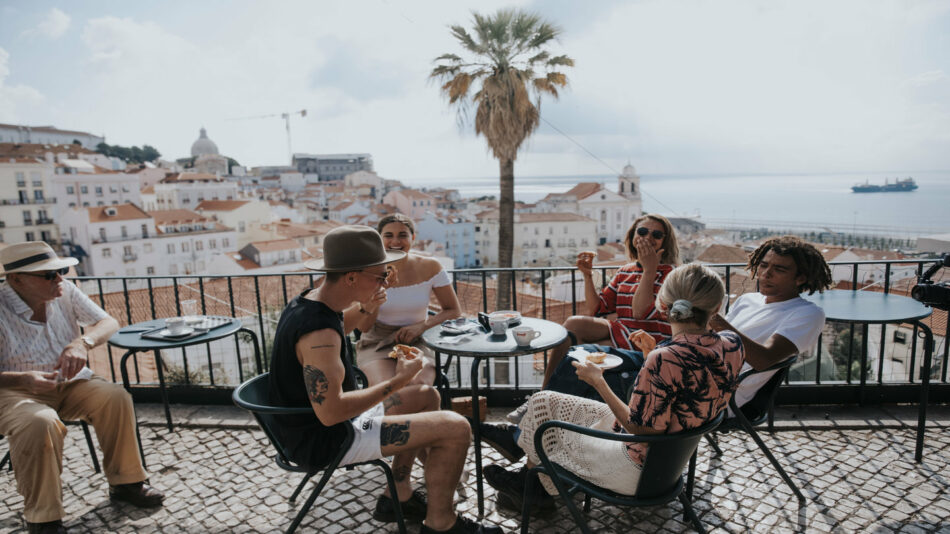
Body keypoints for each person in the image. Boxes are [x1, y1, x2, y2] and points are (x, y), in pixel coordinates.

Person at [268, 225, 501, 534]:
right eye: (379, 275)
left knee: (427, 396)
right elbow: (331, 412)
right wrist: (399, 380)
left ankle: (399, 493)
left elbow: (345, 322)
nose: (386, 280)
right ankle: (441, 523)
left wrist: (369, 305)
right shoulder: (318, 334)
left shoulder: (313, 302)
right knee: (456, 428)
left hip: (319, 424)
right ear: (352, 277)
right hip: (327, 439)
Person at [484, 264, 744, 512]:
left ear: (662, 306)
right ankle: (528, 482)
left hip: (637, 469)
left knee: (546, 429)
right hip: (671, 460)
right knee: (545, 401)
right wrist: (651, 353)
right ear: (717, 307)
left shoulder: (665, 358)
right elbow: (691, 380)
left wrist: (598, 380)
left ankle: (530, 489)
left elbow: (640, 428)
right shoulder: (733, 344)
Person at [0, 242, 163, 534]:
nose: (59, 278)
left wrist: (82, 343)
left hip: (68, 384)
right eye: (48, 274)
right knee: (40, 422)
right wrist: (24, 380)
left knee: (115, 397)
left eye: (61, 270)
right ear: (16, 279)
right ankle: (44, 518)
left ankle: (126, 482)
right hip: (13, 392)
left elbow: (108, 322)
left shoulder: (64, 292)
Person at [540, 214, 680, 386]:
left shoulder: (672, 274)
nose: (647, 238)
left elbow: (639, 313)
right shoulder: (625, 271)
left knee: (577, 352)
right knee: (573, 324)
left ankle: (556, 396)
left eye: (656, 235)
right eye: (642, 232)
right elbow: (597, 310)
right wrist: (587, 276)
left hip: (648, 341)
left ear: (665, 242)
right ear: (633, 236)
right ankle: (543, 391)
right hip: (622, 332)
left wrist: (649, 270)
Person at [350, 213, 461, 389]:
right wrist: (378, 293)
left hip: (419, 339)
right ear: (379, 239)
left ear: (413, 238)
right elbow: (363, 327)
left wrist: (422, 326)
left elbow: (453, 310)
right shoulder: (367, 271)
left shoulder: (431, 266)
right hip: (377, 340)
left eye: (402, 235)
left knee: (419, 386)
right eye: (388, 236)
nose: (395, 242)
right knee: (385, 388)